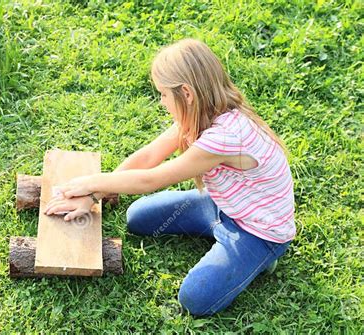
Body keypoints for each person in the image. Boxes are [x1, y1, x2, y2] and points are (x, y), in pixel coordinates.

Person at [44, 38, 296, 316]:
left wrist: (87, 184)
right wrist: (93, 196)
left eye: (163, 94)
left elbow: (150, 180)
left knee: (195, 298)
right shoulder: (201, 114)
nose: (162, 102)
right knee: (137, 217)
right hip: (220, 204)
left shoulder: (225, 137)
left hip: (257, 231)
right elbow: (149, 157)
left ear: (186, 93)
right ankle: (217, 228)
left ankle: (262, 258)